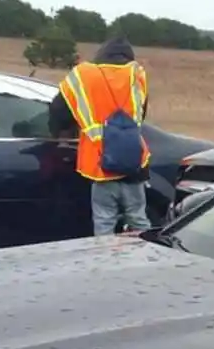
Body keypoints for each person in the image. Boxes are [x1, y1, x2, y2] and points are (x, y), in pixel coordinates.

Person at [48, 36, 153, 234]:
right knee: (138, 219)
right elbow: (142, 112)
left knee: (104, 221)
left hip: (100, 164)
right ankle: (145, 259)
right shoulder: (136, 74)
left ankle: (104, 262)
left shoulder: (83, 75)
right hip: (134, 161)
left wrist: (61, 133)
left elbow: (58, 111)